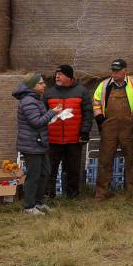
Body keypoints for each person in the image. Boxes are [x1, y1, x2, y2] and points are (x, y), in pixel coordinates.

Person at [92, 59, 133, 201]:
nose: (114, 73)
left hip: (130, 126)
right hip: (108, 127)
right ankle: (101, 193)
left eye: (117, 70)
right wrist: (99, 118)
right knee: (105, 159)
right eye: (112, 70)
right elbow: (96, 102)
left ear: (125, 70)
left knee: (132, 159)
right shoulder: (104, 85)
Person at [13, 73, 62, 216]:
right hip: (31, 144)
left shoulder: (36, 99)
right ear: (33, 86)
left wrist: (54, 115)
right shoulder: (28, 101)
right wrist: (52, 112)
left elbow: (40, 120)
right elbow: (36, 122)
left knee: (44, 173)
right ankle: (29, 207)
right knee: (34, 176)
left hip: (39, 143)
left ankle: (39, 203)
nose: (44, 85)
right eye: (41, 83)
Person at [44, 64, 94, 200]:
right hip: (53, 139)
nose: (57, 76)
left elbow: (88, 114)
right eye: (56, 74)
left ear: (69, 77)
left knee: (73, 169)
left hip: (74, 139)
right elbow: (42, 115)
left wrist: (84, 132)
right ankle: (48, 195)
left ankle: (72, 196)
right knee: (50, 169)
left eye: (60, 74)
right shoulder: (49, 93)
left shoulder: (82, 91)